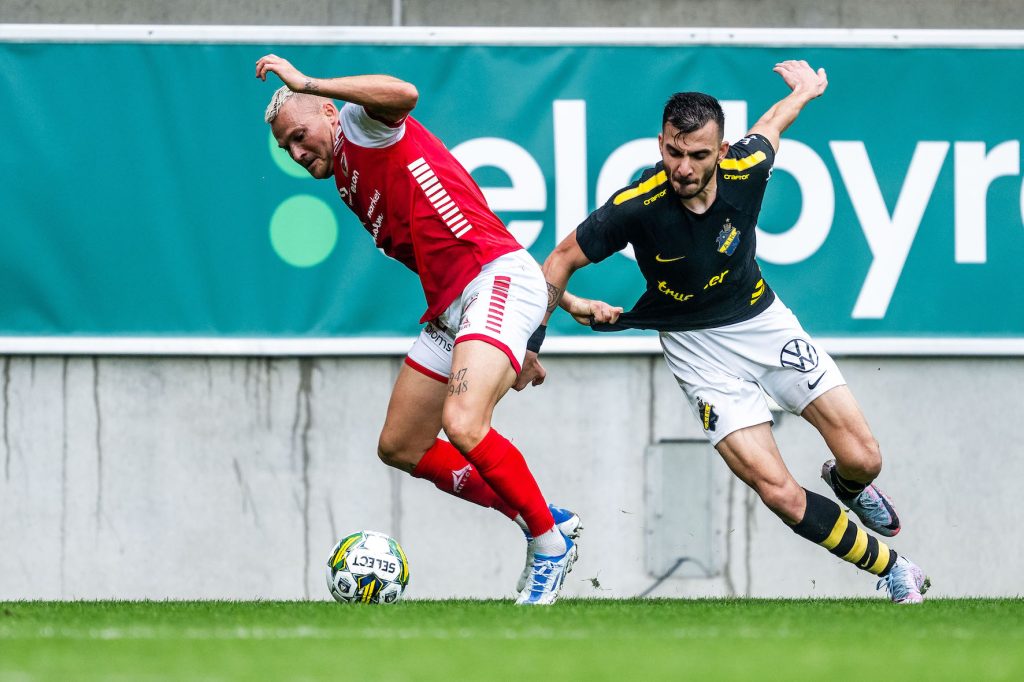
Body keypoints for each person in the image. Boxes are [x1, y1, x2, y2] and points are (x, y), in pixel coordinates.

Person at [535, 60, 929, 603]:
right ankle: (895, 569)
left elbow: (772, 124)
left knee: (865, 458)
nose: (683, 168)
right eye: (674, 152)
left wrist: (804, 92)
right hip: (695, 349)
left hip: (763, 323)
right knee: (779, 491)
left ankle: (847, 484)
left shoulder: (748, 168)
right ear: (661, 144)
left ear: (721, 152)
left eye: (698, 155)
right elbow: (558, 260)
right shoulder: (636, 206)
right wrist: (535, 340)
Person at [256, 54, 581, 605]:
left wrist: (306, 82)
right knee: (401, 445)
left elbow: (404, 93)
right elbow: (465, 224)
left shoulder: (360, 126)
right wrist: (540, 316)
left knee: (463, 422)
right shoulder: (346, 176)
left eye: (299, 135)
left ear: (329, 113)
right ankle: (543, 517)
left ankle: (549, 546)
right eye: (286, 147)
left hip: (490, 281)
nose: (296, 151)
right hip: (461, 302)